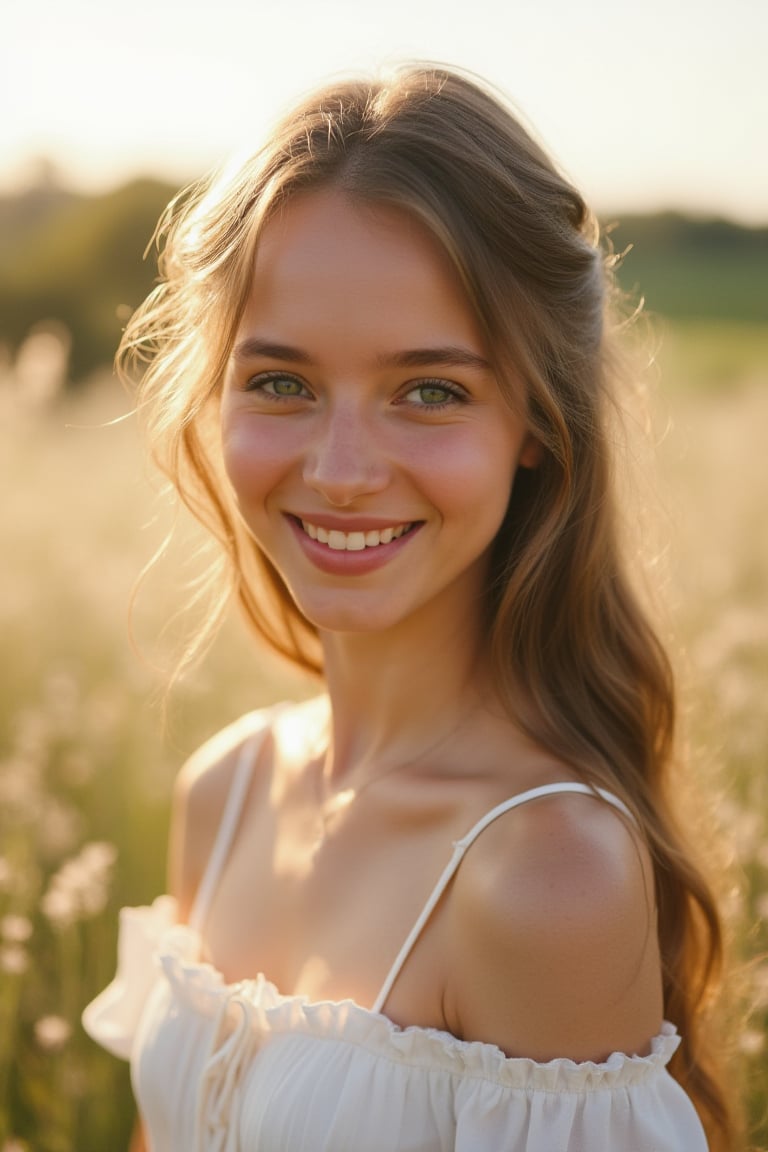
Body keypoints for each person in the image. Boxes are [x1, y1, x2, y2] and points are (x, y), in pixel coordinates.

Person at [83, 64, 737, 1151]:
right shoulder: (227, 791)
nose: (341, 471)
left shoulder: (543, 874)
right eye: (281, 383)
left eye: (429, 391)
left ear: (537, 420)